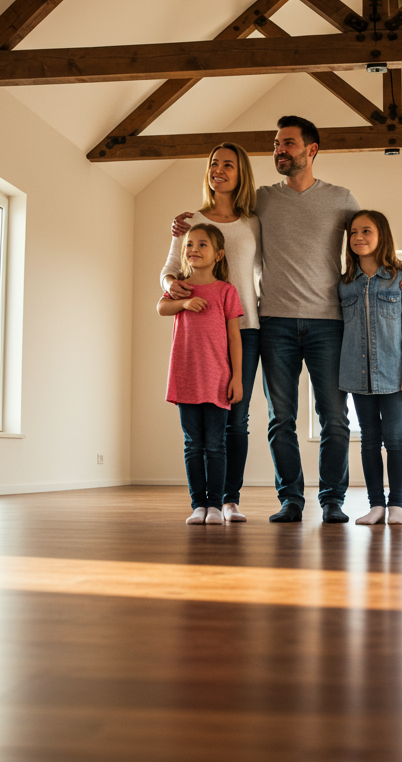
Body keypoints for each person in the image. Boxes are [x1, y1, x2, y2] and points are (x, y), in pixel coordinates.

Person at [173, 116, 402, 524]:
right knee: (279, 419)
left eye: (287, 143)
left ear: (311, 150)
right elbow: (220, 221)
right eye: (275, 144)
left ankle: (332, 500)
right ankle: (291, 499)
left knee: (335, 419)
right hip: (275, 323)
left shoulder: (341, 198)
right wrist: (179, 228)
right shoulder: (262, 200)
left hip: (329, 324)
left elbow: (370, 237)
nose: (279, 151)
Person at [162, 143, 261, 522]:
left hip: (245, 326)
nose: (219, 170)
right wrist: (173, 287)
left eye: (228, 165)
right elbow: (170, 269)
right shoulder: (189, 223)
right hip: (202, 331)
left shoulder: (253, 221)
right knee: (203, 432)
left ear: (241, 173)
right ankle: (206, 502)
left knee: (238, 419)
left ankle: (228, 500)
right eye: (214, 164)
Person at [339, 210, 402, 526]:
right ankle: (376, 505)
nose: (359, 237)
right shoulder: (345, 284)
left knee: (394, 437)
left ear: (381, 235)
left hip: (393, 374)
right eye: (353, 232)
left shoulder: (401, 278)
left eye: (366, 231)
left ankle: (397, 505)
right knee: (369, 440)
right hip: (357, 375)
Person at [157, 224, 244, 524]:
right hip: (185, 376)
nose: (194, 248)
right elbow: (161, 308)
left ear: (219, 254)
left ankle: (216, 507)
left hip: (217, 378)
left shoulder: (226, 291)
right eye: (190, 244)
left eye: (202, 244)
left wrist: (237, 377)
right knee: (192, 443)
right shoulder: (180, 286)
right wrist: (184, 302)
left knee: (215, 444)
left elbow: (235, 337)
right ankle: (198, 506)